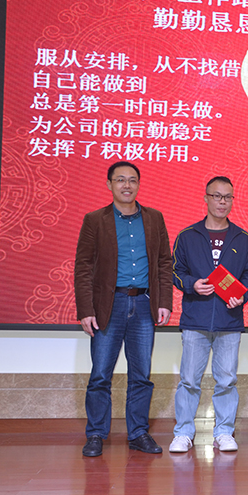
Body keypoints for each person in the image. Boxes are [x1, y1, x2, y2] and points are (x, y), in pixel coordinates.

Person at [74, 161, 173, 457]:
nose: (126, 185)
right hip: (109, 306)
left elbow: (164, 263)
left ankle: (138, 433)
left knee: (141, 375)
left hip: (143, 304)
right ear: (109, 184)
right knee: (100, 375)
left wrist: (164, 301)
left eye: (132, 180)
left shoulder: (155, 218)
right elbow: (83, 267)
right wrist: (86, 309)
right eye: (120, 180)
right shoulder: (95, 220)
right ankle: (96, 434)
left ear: (139, 185)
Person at [168, 176, 248, 454]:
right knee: (189, 380)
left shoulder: (242, 238)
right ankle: (183, 433)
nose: (222, 202)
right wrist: (191, 284)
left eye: (227, 197)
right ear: (206, 198)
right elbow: (174, 270)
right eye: (217, 196)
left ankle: (224, 432)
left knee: (227, 380)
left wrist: (243, 294)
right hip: (195, 319)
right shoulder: (188, 235)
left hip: (229, 321)